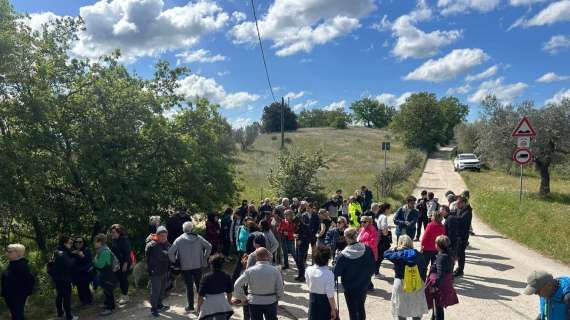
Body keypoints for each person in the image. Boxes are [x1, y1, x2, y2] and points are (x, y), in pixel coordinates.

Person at [168, 221, 212, 312]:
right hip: (198, 265)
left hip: (185, 267)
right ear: (192, 228)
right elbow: (209, 246)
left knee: (189, 287)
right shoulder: (198, 238)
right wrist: (204, 258)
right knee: (199, 285)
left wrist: (175, 261)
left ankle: (190, 306)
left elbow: (170, 252)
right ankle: (203, 305)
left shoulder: (179, 239)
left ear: (183, 229)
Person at [333, 228, 376, 320]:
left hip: (350, 288)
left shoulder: (343, 255)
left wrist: (336, 260)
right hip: (364, 285)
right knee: (361, 307)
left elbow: (336, 272)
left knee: (353, 311)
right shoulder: (367, 249)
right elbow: (373, 268)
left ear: (346, 237)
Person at [384, 235, 428, 320]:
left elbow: (386, 253)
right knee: (416, 309)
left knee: (401, 309)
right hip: (416, 282)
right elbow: (424, 268)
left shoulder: (398, 255)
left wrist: (395, 248)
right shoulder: (419, 255)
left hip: (401, 282)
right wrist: (422, 280)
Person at [233, 248, 285, 320]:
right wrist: (279, 298)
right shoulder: (275, 270)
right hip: (271, 302)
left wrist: (243, 298)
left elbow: (237, 285)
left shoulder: (250, 271)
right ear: (267, 256)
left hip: (254, 302)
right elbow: (280, 286)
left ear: (256, 258)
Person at [425, 236, 459, 320]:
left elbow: (440, 274)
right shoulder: (449, 253)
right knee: (436, 307)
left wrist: (434, 286)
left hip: (440, 285)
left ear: (438, 245)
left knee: (438, 308)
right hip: (446, 282)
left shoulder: (442, 257)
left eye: (435, 243)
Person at [1, 244, 35, 320]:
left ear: (18, 253)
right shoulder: (12, 264)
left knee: (18, 316)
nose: (7, 254)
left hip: (17, 297)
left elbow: (30, 280)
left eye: (9, 252)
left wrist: (25, 295)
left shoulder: (22, 265)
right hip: (11, 297)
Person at [197, 254, 234, 320]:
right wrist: (228, 303)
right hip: (222, 303)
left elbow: (200, 295)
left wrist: (199, 307)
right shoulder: (227, 276)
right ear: (222, 265)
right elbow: (229, 293)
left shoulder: (205, 277)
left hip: (208, 303)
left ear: (211, 265)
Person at [50, 235, 79, 320]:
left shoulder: (56, 251)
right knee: (66, 297)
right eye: (70, 243)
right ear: (65, 243)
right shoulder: (62, 253)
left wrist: (71, 253)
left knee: (59, 295)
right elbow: (69, 264)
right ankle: (69, 316)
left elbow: (52, 263)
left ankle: (60, 313)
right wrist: (75, 258)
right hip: (64, 278)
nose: (71, 244)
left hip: (57, 278)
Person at [305, 246, 338, 320]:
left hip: (313, 299)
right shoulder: (329, 274)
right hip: (324, 301)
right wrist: (333, 309)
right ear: (328, 260)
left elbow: (308, 283)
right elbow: (330, 295)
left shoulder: (308, 269)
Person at [146, 226, 171, 317]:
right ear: (157, 235)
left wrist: (168, 253)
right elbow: (162, 256)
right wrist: (167, 254)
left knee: (162, 290)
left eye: (165, 236)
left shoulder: (166, 243)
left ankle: (159, 305)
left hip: (164, 270)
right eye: (162, 236)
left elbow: (171, 252)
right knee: (155, 291)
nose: (164, 237)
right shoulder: (153, 245)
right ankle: (154, 309)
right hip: (155, 272)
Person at [92, 234, 117, 316]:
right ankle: (107, 304)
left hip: (107, 275)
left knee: (108, 290)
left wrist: (95, 260)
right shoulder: (102, 250)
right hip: (105, 274)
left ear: (100, 242)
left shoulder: (105, 251)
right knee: (106, 290)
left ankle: (110, 308)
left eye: (95, 242)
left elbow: (100, 265)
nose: (94, 243)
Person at [449, 196, 472, 277]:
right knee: (459, 253)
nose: (457, 205)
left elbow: (460, 220)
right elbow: (456, 214)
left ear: (464, 203)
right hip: (459, 235)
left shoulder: (468, 212)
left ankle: (460, 270)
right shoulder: (461, 209)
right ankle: (459, 269)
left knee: (460, 253)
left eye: (458, 203)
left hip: (463, 236)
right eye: (457, 203)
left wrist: (450, 216)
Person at [110, 224, 132, 305]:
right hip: (117, 263)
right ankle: (123, 295)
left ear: (119, 232)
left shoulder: (124, 239)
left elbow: (128, 252)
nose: (112, 234)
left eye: (113, 232)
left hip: (124, 262)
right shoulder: (114, 240)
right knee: (120, 279)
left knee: (123, 279)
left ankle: (126, 297)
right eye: (111, 232)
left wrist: (125, 264)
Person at [421, 210, 446, 278]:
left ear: (434, 217)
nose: (431, 216)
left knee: (424, 265)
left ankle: (423, 278)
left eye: (432, 215)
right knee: (434, 266)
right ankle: (431, 279)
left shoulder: (430, 225)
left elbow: (425, 237)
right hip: (437, 249)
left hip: (427, 249)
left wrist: (422, 246)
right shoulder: (442, 226)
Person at [71, 237, 93, 306]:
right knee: (79, 287)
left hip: (85, 272)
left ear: (83, 243)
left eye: (80, 242)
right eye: (76, 242)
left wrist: (82, 256)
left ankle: (89, 300)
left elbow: (89, 261)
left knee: (85, 286)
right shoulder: (72, 251)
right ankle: (83, 301)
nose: (78, 244)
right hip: (76, 273)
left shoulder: (86, 250)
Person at [294, 208, 313, 282]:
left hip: (304, 246)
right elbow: (299, 234)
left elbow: (308, 237)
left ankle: (303, 276)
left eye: (296, 223)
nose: (295, 225)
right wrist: (295, 235)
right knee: (298, 261)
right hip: (298, 245)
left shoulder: (305, 226)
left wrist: (301, 240)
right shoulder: (298, 226)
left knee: (301, 261)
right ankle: (300, 275)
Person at [375, 203, 392, 278]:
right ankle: (376, 273)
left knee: (378, 255)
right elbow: (384, 228)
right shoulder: (384, 217)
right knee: (380, 256)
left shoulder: (379, 215)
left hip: (379, 236)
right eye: (389, 209)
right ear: (386, 209)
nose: (390, 211)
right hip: (382, 237)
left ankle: (375, 272)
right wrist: (387, 233)